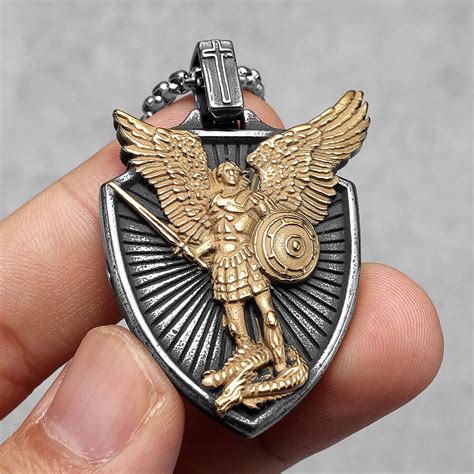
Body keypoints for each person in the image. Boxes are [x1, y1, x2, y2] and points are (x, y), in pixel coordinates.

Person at [0, 92, 443, 472]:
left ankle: (278, 356)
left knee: (267, 310)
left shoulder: (256, 197)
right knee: (233, 317)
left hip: (252, 260)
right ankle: (246, 354)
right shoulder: (211, 204)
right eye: (224, 173)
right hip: (224, 262)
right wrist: (196, 247)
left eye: (233, 172)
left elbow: (277, 224)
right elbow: (211, 239)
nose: (229, 173)